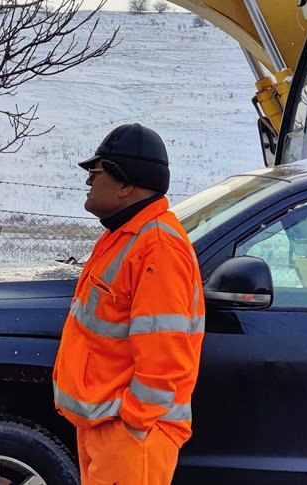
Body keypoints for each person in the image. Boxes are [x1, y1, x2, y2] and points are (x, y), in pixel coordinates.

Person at [52, 123, 205, 484]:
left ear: (126, 184)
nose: (89, 180)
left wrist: (133, 423)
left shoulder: (157, 248)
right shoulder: (125, 236)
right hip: (106, 426)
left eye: (97, 171)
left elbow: (166, 357)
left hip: (132, 434)